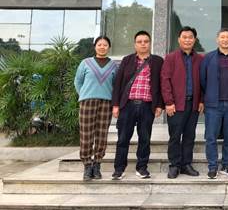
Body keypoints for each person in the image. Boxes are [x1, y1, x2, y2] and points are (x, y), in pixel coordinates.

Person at [111, 31, 164, 180]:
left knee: (145, 139)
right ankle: (119, 169)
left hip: (147, 106)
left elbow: (162, 84)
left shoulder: (158, 61)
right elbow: (118, 83)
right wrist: (115, 105)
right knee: (123, 138)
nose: (143, 44)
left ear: (150, 43)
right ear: (135, 44)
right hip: (127, 105)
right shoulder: (127, 60)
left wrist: (159, 105)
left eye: (146, 41)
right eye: (140, 41)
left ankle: (142, 168)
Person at [161, 26, 204, 179]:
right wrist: (168, 102)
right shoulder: (170, 58)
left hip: (193, 104)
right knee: (175, 136)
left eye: (190, 37)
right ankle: (174, 165)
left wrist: (201, 100)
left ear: (194, 40)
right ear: (179, 40)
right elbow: (165, 80)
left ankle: (186, 164)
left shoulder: (200, 59)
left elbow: (203, 81)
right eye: (184, 37)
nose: (187, 40)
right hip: (176, 105)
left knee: (189, 136)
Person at [74, 36, 117, 181]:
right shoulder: (85, 63)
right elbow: (78, 81)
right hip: (87, 102)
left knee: (101, 135)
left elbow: (116, 85)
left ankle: (97, 164)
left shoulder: (113, 65)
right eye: (99, 44)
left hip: (106, 102)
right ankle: (87, 165)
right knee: (86, 134)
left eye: (105, 45)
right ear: (95, 46)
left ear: (109, 47)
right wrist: (84, 94)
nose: (102, 47)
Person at [200, 28, 228, 179]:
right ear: (217, 40)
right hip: (213, 104)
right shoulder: (208, 58)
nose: (225, 40)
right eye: (222, 37)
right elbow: (202, 80)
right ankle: (212, 167)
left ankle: (227, 165)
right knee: (211, 137)